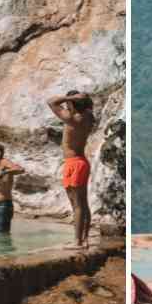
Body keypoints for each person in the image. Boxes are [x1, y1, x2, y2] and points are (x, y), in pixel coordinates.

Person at [48, 90, 96, 248]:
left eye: (68, 104)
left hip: (73, 163)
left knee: (76, 205)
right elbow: (88, 104)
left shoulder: (72, 119)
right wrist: (79, 99)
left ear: (72, 103)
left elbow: (51, 101)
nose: (66, 106)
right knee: (83, 203)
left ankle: (77, 242)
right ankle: (85, 239)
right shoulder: (89, 116)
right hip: (82, 162)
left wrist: (70, 97)